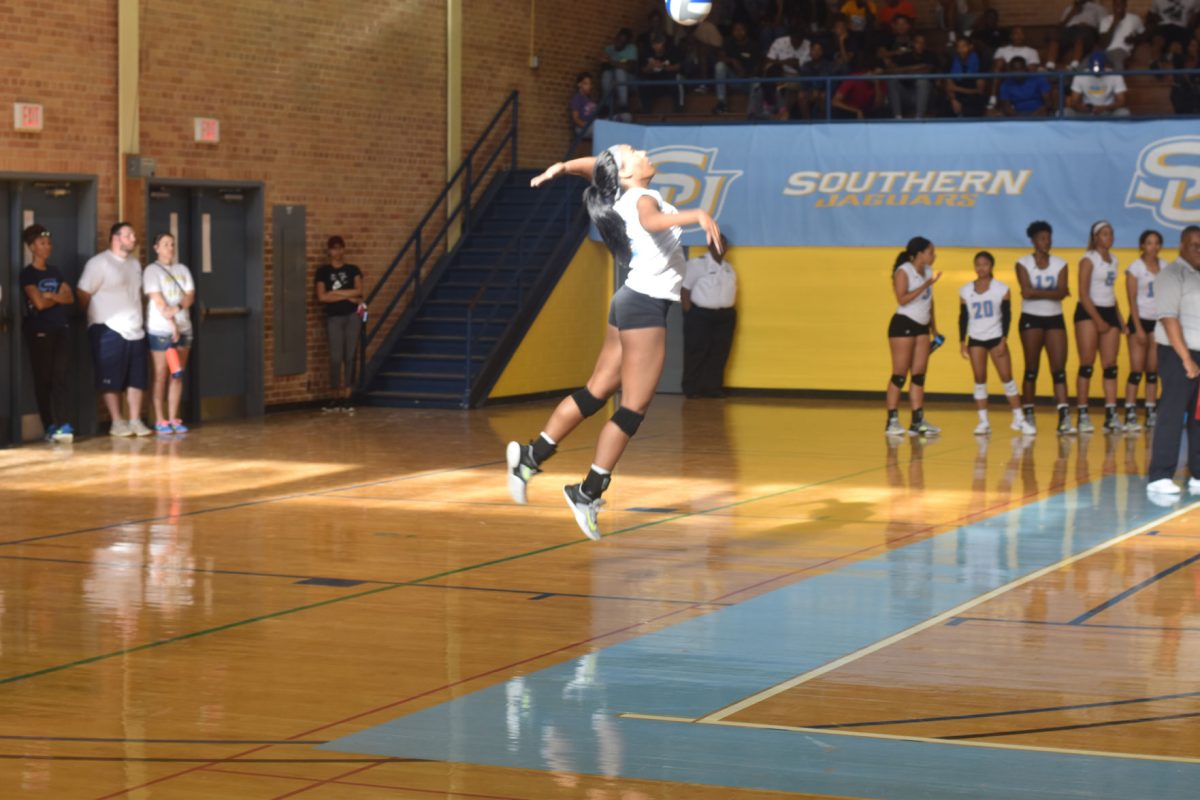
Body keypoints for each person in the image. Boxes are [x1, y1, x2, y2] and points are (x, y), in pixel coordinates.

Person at [506, 145, 721, 540]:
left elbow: (599, 169)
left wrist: (562, 166)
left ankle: (530, 457)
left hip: (627, 300)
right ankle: (587, 492)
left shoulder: (619, 193)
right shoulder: (641, 198)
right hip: (644, 307)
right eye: (634, 153)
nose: (643, 152)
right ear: (627, 173)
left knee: (596, 392)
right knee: (633, 407)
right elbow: (653, 221)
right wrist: (699, 214)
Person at [77, 221, 152, 437]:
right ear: (116, 237)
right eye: (129, 235)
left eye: (134, 235)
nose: (134, 239)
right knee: (111, 377)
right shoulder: (99, 263)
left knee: (137, 377)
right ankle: (117, 422)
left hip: (135, 328)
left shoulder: (135, 264)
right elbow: (83, 293)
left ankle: (136, 420)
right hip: (108, 328)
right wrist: (95, 317)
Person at [1145, 225, 1200, 496]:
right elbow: (1169, 319)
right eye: (1194, 245)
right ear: (1182, 245)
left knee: (1199, 416)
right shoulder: (1171, 274)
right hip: (1177, 353)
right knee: (1173, 412)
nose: (1199, 250)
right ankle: (1160, 475)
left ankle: (1198, 474)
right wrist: (1186, 358)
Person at [959, 252, 1036, 436]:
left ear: (991, 266)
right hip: (976, 338)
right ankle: (983, 422)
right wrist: (962, 341)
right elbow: (963, 317)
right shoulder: (965, 290)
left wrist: (1003, 339)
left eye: (985, 264)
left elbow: (1007, 316)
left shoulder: (1001, 289)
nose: (981, 268)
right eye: (978, 264)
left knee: (1007, 378)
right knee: (979, 379)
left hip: (995, 337)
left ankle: (1019, 419)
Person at [1015, 221, 1074, 434]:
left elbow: (1038, 292)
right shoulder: (1022, 263)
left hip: (1054, 318)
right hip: (1031, 317)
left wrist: (1037, 291)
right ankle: (1029, 414)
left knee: (1059, 370)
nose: (1046, 242)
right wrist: (1056, 292)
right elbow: (1026, 292)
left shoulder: (1060, 263)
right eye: (1041, 238)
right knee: (1032, 369)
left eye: (1049, 238)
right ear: (1032, 240)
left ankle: (1064, 417)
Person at [19, 224, 75, 443]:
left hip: (60, 329)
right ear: (32, 247)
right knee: (43, 379)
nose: (47, 246)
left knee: (60, 376)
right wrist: (52, 297)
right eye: (42, 243)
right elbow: (39, 303)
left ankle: (64, 423)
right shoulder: (28, 274)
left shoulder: (55, 271)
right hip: (39, 331)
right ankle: (49, 425)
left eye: (49, 243)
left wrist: (52, 296)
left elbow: (69, 297)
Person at [886, 236, 942, 437]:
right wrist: (925, 284)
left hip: (922, 327)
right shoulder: (904, 271)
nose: (934, 255)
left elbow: (930, 302)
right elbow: (902, 299)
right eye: (930, 252)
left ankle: (917, 421)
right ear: (919, 254)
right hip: (903, 325)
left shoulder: (927, 272)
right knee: (900, 374)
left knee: (919, 375)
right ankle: (892, 420)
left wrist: (934, 329)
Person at [143, 233, 195, 435]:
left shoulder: (182, 269)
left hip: (185, 327)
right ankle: (159, 418)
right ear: (156, 247)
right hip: (161, 330)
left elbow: (190, 295)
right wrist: (170, 321)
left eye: (172, 244)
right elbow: (158, 300)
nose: (170, 248)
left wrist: (179, 308)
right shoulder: (151, 271)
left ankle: (174, 417)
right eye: (165, 244)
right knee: (160, 374)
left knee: (177, 374)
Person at [1074, 220, 1124, 433]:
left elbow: (1111, 292)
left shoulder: (1114, 260)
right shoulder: (1088, 259)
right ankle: (1083, 414)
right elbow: (1083, 294)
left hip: (1109, 310)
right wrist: (1098, 320)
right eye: (1104, 233)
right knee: (1087, 364)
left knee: (1110, 365)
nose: (1109, 237)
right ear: (1095, 237)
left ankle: (1110, 415)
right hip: (1088, 311)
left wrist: (1120, 320)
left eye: (1111, 233)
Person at [681, 234, 736, 398]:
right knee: (697, 352)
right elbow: (684, 289)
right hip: (700, 315)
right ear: (709, 246)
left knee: (719, 353)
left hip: (725, 316)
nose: (722, 247)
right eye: (718, 244)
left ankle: (712, 388)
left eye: (724, 244)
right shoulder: (697, 265)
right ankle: (692, 389)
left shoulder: (728, 268)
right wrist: (688, 313)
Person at [314, 235, 364, 413]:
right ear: (329, 251)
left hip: (352, 316)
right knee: (335, 357)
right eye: (334, 248)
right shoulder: (323, 272)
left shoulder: (352, 269)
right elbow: (322, 296)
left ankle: (347, 395)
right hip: (334, 317)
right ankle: (334, 395)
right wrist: (347, 295)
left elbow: (359, 291)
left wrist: (335, 294)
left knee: (349, 355)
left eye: (340, 248)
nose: (338, 252)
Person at [1123, 230, 1164, 431]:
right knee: (1136, 370)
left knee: (1152, 371)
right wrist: (1137, 327)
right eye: (1149, 243)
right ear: (1142, 245)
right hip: (1140, 321)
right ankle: (1130, 411)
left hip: (1158, 323)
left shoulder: (1165, 267)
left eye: (1156, 243)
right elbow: (1131, 299)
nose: (1153, 247)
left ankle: (1150, 411)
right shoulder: (1135, 268)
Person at [713, 21, 762, 115]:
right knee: (720, 66)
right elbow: (720, 57)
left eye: (741, 29)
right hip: (733, 79)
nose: (738, 32)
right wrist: (732, 61)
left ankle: (751, 112)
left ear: (746, 31)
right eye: (736, 30)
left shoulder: (753, 45)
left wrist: (745, 73)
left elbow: (757, 68)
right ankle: (721, 103)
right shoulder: (728, 42)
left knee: (756, 81)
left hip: (747, 81)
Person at [1066, 52, 1131, 116]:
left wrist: (1105, 108)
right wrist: (1082, 108)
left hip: (1108, 111)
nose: (1096, 72)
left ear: (1105, 65)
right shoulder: (1080, 76)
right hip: (1087, 112)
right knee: (1064, 113)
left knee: (1124, 113)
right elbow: (1074, 102)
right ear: (1089, 65)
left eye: (1099, 69)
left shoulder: (1116, 76)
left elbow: (1121, 101)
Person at [945, 37, 987, 117]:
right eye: (958, 47)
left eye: (964, 46)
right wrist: (953, 100)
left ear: (970, 47)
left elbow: (980, 91)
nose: (961, 49)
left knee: (973, 108)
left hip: (973, 98)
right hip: (956, 97)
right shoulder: (951, 61)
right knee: (945, 110)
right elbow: (949, 86)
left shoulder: (980, 62)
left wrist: (957, 88)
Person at [1099, 0, 1145, 71]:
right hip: (1106, 52)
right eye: (1116, 5)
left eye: (1120, 4)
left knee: (1117, 59)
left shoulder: (1134, 19)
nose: (1118, 7)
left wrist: (1134, 39)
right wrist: (1114, 23)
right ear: (1113, 6)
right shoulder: (1105, 20)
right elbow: (1104, 44)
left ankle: (1119, 81)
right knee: (1088, 62)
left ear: (1125, 5)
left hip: (1122, 51)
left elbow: (1144, 35)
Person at [601, 28, 638, 114]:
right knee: (606, 74)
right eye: (618, 39)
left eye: (623, 41)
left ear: (627, 42)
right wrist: (616, 64)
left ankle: (623, 105)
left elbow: (631, 67)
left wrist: (612, 62)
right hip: (613, 80)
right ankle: (606, 105)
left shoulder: (632, 49)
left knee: (619, 72)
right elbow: (603, 67)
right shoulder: (609, 49)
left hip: (629, 80)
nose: (620, 43)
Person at [569, 71, 597, 138]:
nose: (589, 86)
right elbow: (575, 119)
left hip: (594, 125)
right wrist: (586, 125)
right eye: (586, 83)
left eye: (590, 84)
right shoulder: (577, 99)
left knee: (625, 117)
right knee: (600, 129)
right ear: (579, 84)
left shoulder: (591, 99)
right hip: (581, 128)